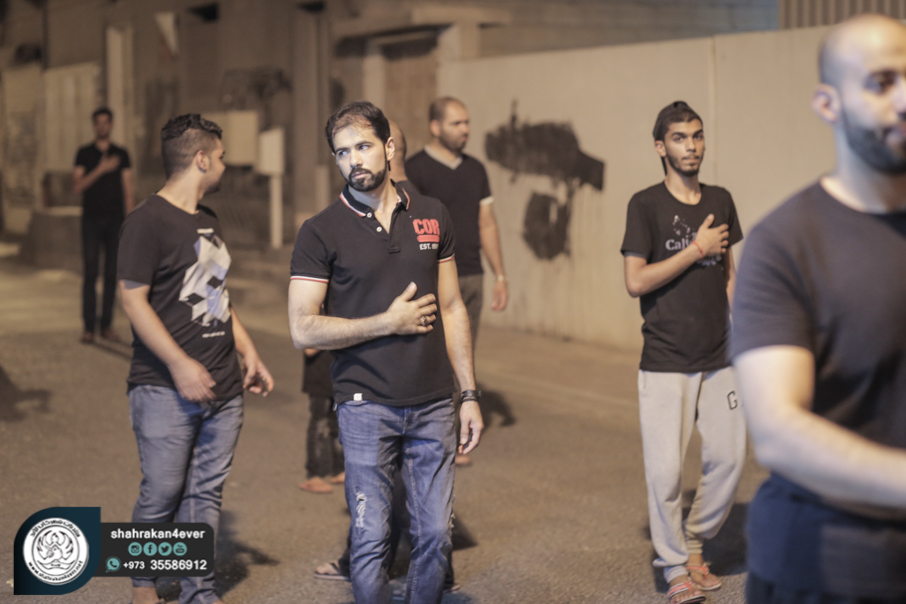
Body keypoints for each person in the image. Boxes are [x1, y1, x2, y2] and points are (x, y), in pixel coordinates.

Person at [732, 14, 906, 604]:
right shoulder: (785, 243)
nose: (904, 98)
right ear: (828, 104)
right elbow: (778, 433)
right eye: (881, 83)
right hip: (828, 573)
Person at [289, 100, 483, 604]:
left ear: (389, 147)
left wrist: (468, 394)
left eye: (363, 146)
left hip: (434, 402)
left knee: (435, 536)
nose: (354, 160)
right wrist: (386, 323)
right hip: (364, 405)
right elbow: (302, 328)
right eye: (342, 152)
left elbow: (453, 307)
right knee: (371, 539)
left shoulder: (432, 215)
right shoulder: (320, 231)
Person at [118, 113, 274, 604]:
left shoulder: (209, 220)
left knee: (204, 494)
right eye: (222, 156)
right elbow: (132, 301)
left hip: (223, 386)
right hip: (163, 388)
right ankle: (143, 587)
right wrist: (179, 364)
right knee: (162, 492)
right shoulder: (145, 221)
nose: (225, 165)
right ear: (202, 159)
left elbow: (217, 297)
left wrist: (248, 350)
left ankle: (197, 592)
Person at [620, 101, 747, 604]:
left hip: (720, 355)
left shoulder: (720, 198)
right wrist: (695, 249)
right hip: (666, 358)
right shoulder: (644, 205)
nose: (691, 145)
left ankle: (694, 541)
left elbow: (729, 273)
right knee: (666, 473)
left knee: (730, 459)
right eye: (679, 138)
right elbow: (635, 281)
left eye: (697, 135)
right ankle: (674, 567)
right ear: (661, 146)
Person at [406, 96, 507, 465]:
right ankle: (429, 437)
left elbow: (487, 224)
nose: (465, 130)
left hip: (472, 275)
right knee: (432, 358)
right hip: (434, 279)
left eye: (466, 122)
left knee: (462, 357)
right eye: (456, 123)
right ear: (435, 127)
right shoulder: (416, 170)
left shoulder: (476, 169)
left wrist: (500, 274)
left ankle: (451, 436)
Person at [73, 107, 134, 343]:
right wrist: (101, 169)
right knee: (90, 273)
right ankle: (88, 327)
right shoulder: (84, 153)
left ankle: (106, 325)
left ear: (111, 124)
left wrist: (130, 221)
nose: (102, 126)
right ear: (94, 125)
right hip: (91, 221)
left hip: (115, 221)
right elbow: (77, 186)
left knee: (111, 274)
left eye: (106, 122)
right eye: (98, 122)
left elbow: (128, 188)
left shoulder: (121, 153)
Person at [298, 347, 344, 494]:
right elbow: (309, 349)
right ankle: (313, 475)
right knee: (319, 424)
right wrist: (336, 334)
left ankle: (339, 469)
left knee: (339, 424)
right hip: (319, 377)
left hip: (340, 377)